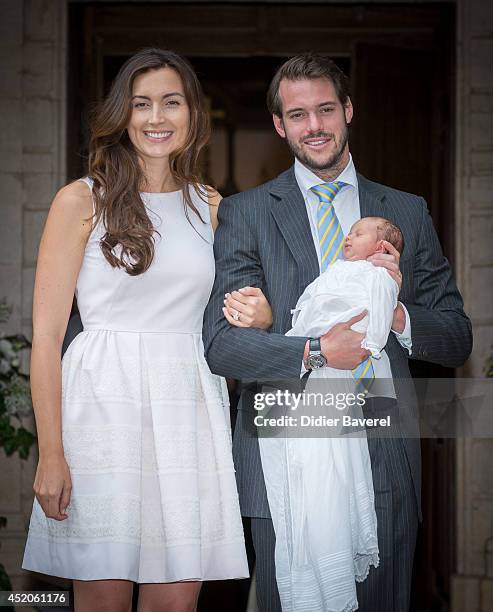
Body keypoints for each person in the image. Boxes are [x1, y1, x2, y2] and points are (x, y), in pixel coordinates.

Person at [203, 53, 472, 612]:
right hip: (283, 451)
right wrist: (316, 351)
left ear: (348, 110)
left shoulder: (405, 211)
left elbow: (455, 336)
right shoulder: (246, 214)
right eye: (298, 115)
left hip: (382, 453)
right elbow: (222, 345)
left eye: (326, 109)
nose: (315, 126)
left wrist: (393, 315)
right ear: (280, 125)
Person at [21, 48, 273, 612]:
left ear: (193, 115)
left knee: (176, 601)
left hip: (187, 411)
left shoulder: (212, 209)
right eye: (141, 104)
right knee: (102, 597)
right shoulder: (81, 201)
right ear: (123, 115)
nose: (157, 118)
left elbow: (234, 314)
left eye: (171, 103)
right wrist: (52, 453)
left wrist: (264, 314)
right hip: (100, 412)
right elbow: (46, 336)